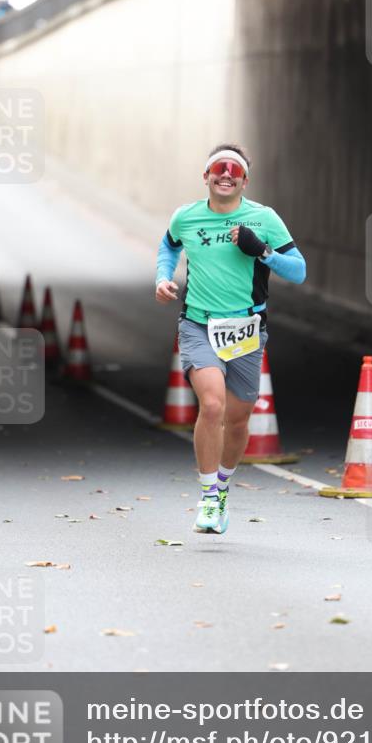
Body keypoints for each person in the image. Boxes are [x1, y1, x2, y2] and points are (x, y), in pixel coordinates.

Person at [155, 143, 306, 535]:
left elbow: (299, 271)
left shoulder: (263, 217)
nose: (225, 175)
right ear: (206, 177)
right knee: (212, 403)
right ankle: (207, 498)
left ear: (244, 180)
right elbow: (168, 246)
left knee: (238, 421)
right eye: (218, 169)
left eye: (233, 170)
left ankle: (222, 487)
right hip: (198, 325)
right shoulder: (186, 217)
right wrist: (163, 277)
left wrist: (262, 250)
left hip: (245, 330)